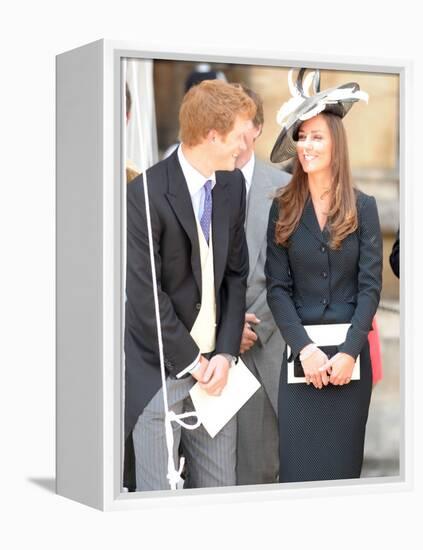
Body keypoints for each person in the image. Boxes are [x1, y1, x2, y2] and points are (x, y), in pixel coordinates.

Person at [124, 80, 255, 491]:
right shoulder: (144, 193)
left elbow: (236, 275)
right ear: (212, 135)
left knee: (220, 492)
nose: (246, 143)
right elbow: (146, 298)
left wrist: (227, 354)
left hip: (217, 374)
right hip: (159, 373)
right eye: (239, 134)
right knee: (157, 499)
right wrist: (194, 364)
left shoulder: (232, 185)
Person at [265, 69, 383, 482]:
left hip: (350, 366)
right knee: (297, 475)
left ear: (336, 141)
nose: (307, 145)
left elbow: (371, 289)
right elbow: (277, 289)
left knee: (342, 476)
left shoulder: (364, 207)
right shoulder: (282, 208)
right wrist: (306, 350)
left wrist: (349, 351)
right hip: (301, 364)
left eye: (317, 136)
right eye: (302, 136)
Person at [233, 85, 290, 485]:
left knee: (259, 472)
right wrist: (225, 327)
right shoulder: (191, 183)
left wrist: (251, 326)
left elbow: (290, 272)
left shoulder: (284, 189)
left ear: (257, 128)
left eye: (240, 122)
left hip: (265, 347)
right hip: (208, 353)